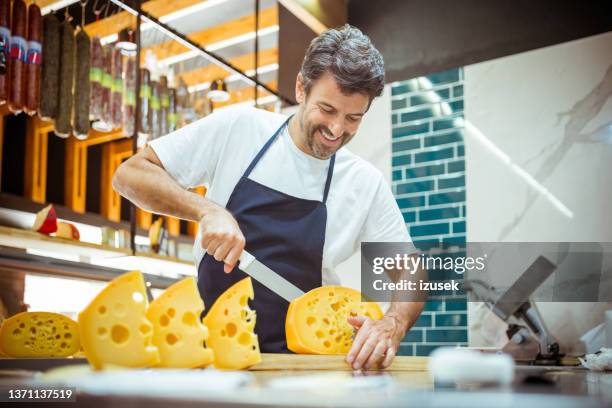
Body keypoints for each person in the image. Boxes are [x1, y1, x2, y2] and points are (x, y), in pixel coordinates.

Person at [113, 24, 424, 370]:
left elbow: (411, 269)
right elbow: (130, 175)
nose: (337, 130)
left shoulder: (364, 182)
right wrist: (206, 211)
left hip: (308, 368)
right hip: (213, 359)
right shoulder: (239, 128)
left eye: (353, 118)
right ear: (301, 89)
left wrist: (392, 323)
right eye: (327, 110)